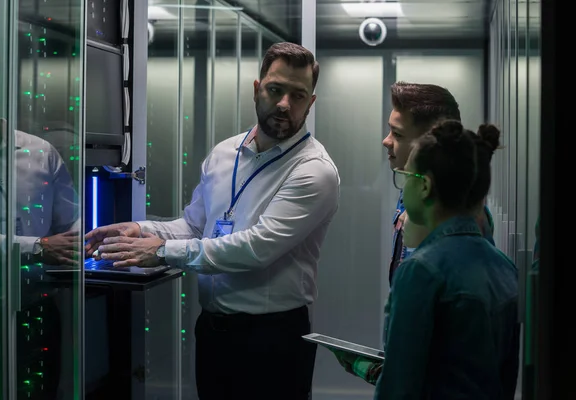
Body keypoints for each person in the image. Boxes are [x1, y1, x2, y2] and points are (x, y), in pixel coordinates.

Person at [84, 42, 340, 400]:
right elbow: (193, 226)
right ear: (257, 90)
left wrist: (162, 251)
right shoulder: (224, 153)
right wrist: (142, 229)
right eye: (275, 90)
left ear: (310, 103)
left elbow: (255, 249)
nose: (284, 104)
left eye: (298, 95)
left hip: (274, 338)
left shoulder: (314, 171)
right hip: (214, 330)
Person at [374, 120, 519, 399]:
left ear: (425, 186)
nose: (403, 187)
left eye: (407, 177)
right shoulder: (505, 268)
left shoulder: (420, 271)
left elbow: (399, 388)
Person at [0, 50, 79, 399]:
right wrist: (38, 247)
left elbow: (71, 222)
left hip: (37, 309)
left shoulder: (40, 153)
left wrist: (90, 244)